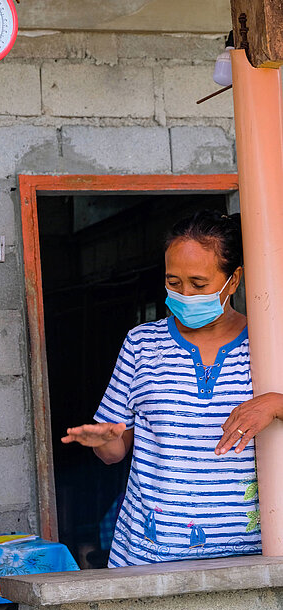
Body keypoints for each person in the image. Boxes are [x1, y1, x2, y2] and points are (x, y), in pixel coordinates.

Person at [63, 210, 283, 567]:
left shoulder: (270, 343)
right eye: (173, 281)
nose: (184, 295)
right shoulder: (141, 344)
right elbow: (114, 452)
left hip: (252, 558)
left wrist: (275, 403)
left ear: (234, 280)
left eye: (198, 284)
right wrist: (103, 439)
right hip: (148, 557)